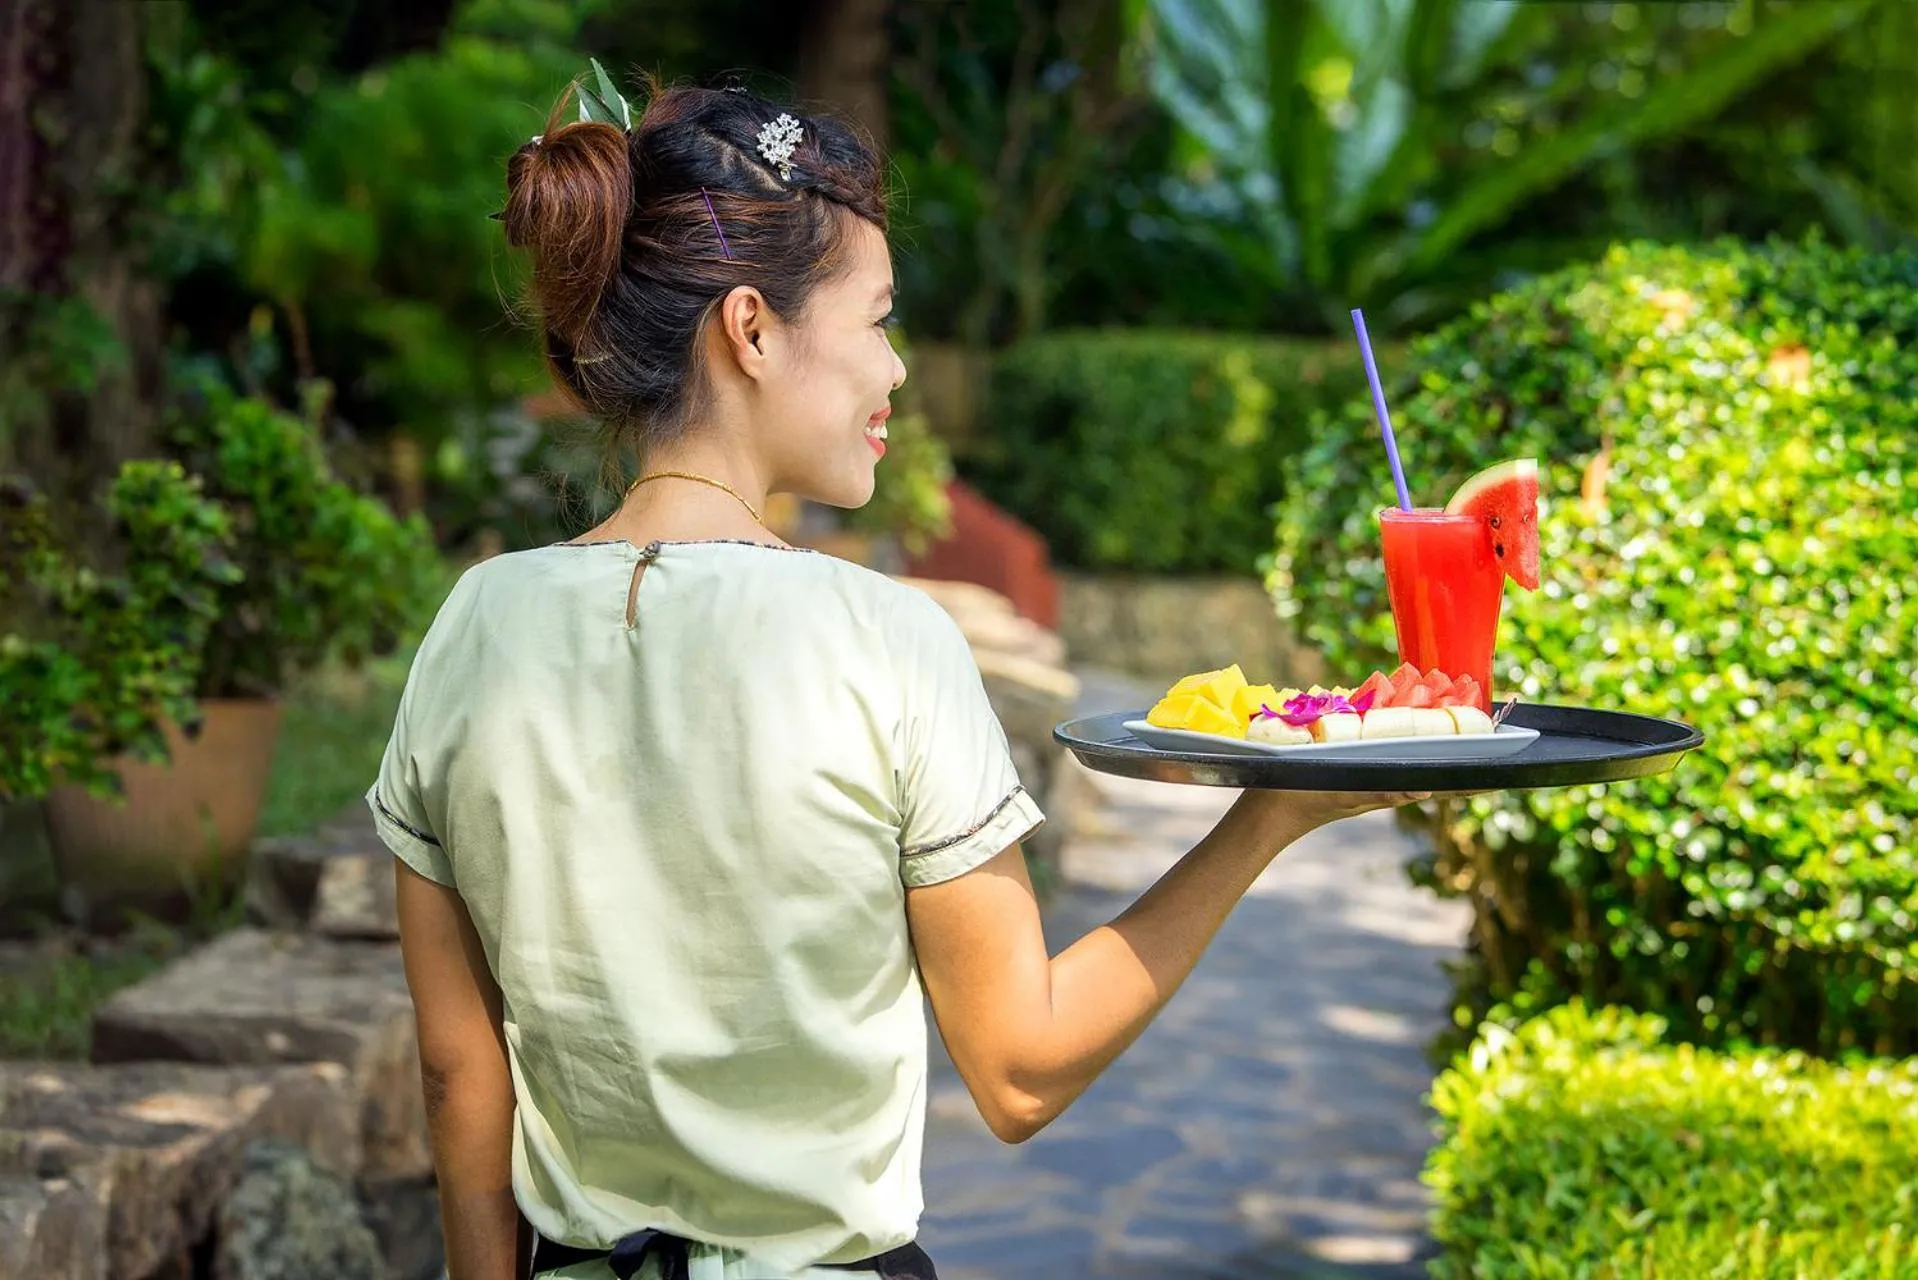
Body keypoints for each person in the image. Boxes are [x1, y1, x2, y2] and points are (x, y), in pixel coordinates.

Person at [369, 72, 1434, 1280]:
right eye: (877, 319)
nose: (899, 371)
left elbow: (462, 1073)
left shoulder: (475, 622)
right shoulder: (885, 638)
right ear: (752, 329)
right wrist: (1268, 818)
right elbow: (1020, 1068)